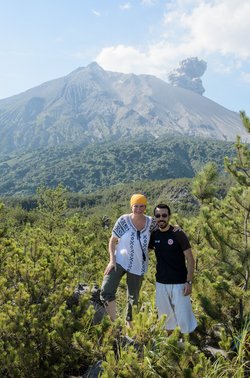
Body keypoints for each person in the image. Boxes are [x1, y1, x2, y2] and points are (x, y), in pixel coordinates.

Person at [100, 193, 156, 326]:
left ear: (145, 207)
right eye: (136, 206)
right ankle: (114, 323)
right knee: (106, 289)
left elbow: (163, 232)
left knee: (133, 298)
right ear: (131, 206)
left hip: (138, 265)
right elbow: (112, 241)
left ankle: (129, 326)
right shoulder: (124, 220)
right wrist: (112, 260)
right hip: (119, 261)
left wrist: (175, 228)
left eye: (142, 206)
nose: (138, 209)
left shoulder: (151, 223)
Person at [149, 203, 197, 334]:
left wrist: (189, 282)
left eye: (164, 215)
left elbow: (190, 259)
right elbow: (144, 253)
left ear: (169, 216)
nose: (161, 218)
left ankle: (188, 347)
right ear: (155, 218)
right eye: (158, 216)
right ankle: (171, 346)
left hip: (179, 284)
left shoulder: (178, 233)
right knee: (166, 318)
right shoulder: (154, 235)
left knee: (184, 319)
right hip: (161, 283)